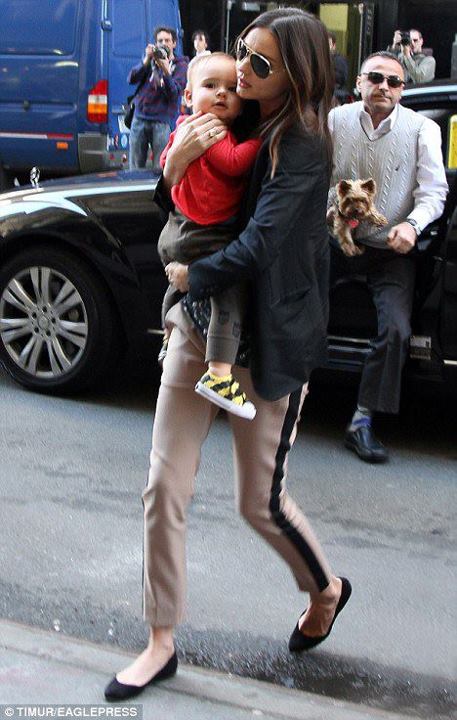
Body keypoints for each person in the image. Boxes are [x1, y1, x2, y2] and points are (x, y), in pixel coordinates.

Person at [104, 7, 352, 703]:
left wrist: (192, 276)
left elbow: (261, 242)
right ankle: (160, 640)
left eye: (259, 63)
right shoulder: (220, 106)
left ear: (294, 75)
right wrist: (177, 160)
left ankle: (325, 590)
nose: (240, 70)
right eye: (242, 51)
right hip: (199, 325)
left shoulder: (301, 142)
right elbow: (181, 204)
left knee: (257, 503)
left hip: (267, 338)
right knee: (163, 485)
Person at [328, 51, 448, 463]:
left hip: (389, 251)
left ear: (402, 90)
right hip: (335, 240)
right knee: (292, 305)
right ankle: (284, 395)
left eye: (393, 81)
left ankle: (362, 420)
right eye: (375, 78)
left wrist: (412, 226)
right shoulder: (335, 120)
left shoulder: (422, 129)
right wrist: (329, 215)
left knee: (397, 329)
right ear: (359, 82)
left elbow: (434, 193)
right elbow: (317, 175)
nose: (384, 86)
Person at [158, 53, 262, 420]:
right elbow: (233, 162)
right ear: (188, 95)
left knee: (178, 286)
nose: (222, 94)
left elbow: (165, 163)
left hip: (182, 229)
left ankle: (167, 336)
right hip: (205, 232)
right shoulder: (209, 128)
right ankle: (219, 373)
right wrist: (262, 141)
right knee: (228, 292)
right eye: (210, 86)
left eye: (231, 89)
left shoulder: (184, 125)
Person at [127, 27, 188, 173]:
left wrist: (166, 71)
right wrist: (146, 60)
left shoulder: (181, 66)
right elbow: (131, 79)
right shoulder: (151, 61)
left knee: (160, 169)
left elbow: (174, 94)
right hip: (140, 118)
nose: (163, 44)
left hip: (162, 122)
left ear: (174, 43)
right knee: (134, 169)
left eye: (167, 40)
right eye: (160, 41)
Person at [328, 31, 349, 104]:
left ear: (333, 46)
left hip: (335, 97)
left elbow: (340, 80)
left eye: (328, 44)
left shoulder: (339, 60)